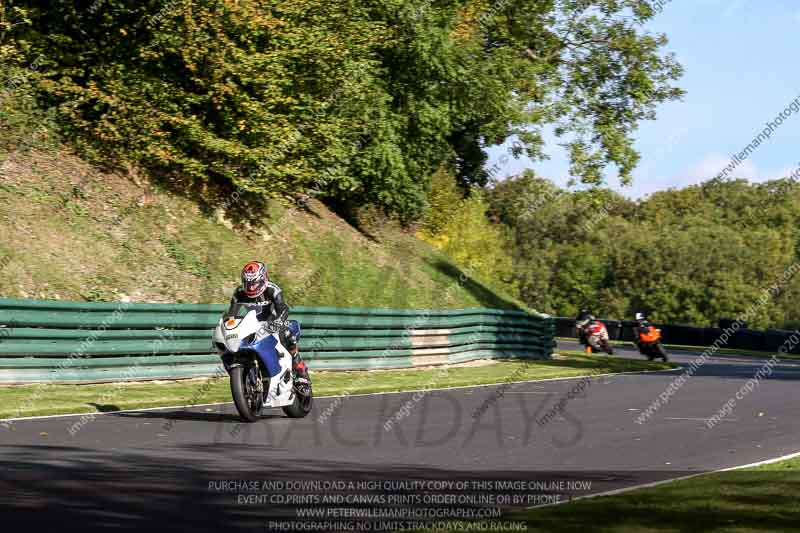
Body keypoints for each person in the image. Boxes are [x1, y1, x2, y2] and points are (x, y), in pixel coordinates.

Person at [229, 261, 311, 392]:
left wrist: (276, 323)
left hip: (274, 321)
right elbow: (231, 314)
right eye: (248, 283)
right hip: (252, 326)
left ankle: (300, 370)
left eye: (254, 283)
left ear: (263, 278)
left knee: (287, 334)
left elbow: (283, 309)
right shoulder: (238, 293)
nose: (250, 287)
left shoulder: (273, 289)